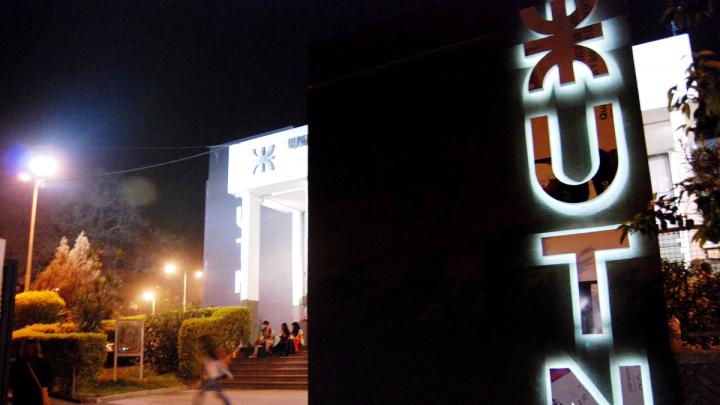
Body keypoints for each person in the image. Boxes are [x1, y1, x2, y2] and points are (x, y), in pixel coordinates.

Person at [9, 340, 53, 405]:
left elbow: (11, 382)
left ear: (23, 348)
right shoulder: (44, 363)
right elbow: (48, 382)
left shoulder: (17, 363)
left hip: (19, 398)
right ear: (38, 348)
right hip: (37, 399)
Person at [193, 336, 233, 405]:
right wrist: (228, 373)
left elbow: (216, 365)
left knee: (202, 394)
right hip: (213, 379)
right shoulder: (208, 353)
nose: (199, 345)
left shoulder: (207, 353)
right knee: (219, 395)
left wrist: (228, 373)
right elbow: (213, 366)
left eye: (200, 343)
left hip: (211, 379)